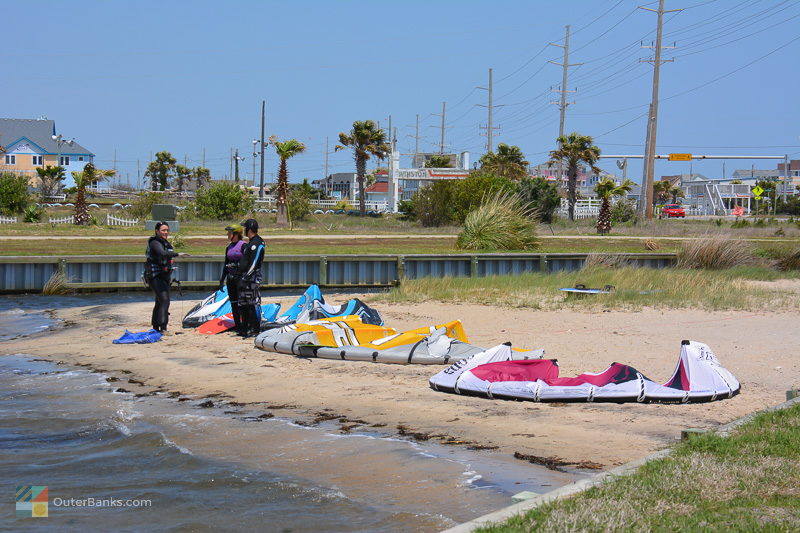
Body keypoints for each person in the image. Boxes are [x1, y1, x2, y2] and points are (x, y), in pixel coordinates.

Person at [145, 221, 185, 332]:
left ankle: (155, 327)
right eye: (163, 230)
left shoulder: (166, 243)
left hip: (164, 276)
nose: (165, 232)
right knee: (164, 300)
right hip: (155, 276)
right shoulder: (154, 243)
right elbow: (161, 253)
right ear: (157, 231)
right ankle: (163, 327)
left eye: (167, 230)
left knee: (159, 301)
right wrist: (177, 254)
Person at [236, 218, 265, 338]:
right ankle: (244, 329)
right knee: (243, 304)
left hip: (251, 278)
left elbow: (254, 263)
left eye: (245, 228)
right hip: (244, 277)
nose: (244, 230)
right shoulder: (250, 243)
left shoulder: (258, 243)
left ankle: (255, 329)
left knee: (252, 304)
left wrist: (246, 277)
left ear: (250, 229)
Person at [219, 224, 246, 334]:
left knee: (242, 303)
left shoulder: (244, 246)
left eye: (229, 232)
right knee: (234, 303)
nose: (227, 234)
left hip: (240, 278)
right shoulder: (228, 248)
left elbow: (247, 263)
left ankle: (245, 325)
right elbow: (226, 263)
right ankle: (238, 326)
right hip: (231, 278)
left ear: (236, 234)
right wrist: (222, 280)